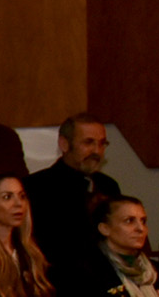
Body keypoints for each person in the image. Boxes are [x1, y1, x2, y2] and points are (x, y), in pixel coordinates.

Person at [26, 113, 122, 285]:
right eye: (88, 142)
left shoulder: (108, 186)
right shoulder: (38, 187)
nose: (97, 151)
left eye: (102, 144)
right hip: (60, 284)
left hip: (108, 281)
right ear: (64, 144)